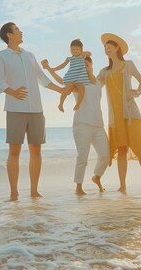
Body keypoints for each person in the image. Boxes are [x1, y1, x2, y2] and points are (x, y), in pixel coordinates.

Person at [0, 22, 63, 201]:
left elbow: (43, 79)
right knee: (14, 151)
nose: (21, 31)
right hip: (15, 109)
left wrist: (62, 90)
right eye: (17, 29)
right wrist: (12, 92)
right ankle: (14, 193)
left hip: (36, 110)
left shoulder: (30, 56)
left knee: (36, 150)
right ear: (9, 35)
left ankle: (34, 191)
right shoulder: (0, 56)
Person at [42, 56, 110, 195]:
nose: (84, 67)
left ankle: (96, 177)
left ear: (91, 65)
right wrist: (49, 68)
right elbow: (61, 81)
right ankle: (78, 187)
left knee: (105, 156)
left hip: (98, 126)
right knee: (82, 157)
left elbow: (111, 73)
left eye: (86, 64)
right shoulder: (78, 83)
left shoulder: (98, 82)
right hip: (82, 126)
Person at [97, 33, 141, 194]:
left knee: (139, 148)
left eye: (109, 47)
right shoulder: (104, 72)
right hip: (115, 117)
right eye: (105, 48)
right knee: (121, 150)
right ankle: (122, 186)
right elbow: (94, 86)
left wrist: (137, 91)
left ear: (117, 48)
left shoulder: (128, 64)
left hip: (131, 114)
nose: (106, 50)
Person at [46, 39, 91, 112]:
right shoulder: (69, 58)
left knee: (82, 88)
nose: (75, 51)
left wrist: (82, 53)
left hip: (80, 79)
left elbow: (89, 53)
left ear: (81, 50)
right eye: (72, 49)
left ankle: (78, 104)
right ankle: (61, 104)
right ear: (70, 50)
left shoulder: (82, 56)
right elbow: (62, 65)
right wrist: (55, 69)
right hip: (71, 79)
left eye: (77, 49)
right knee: (66, 90)